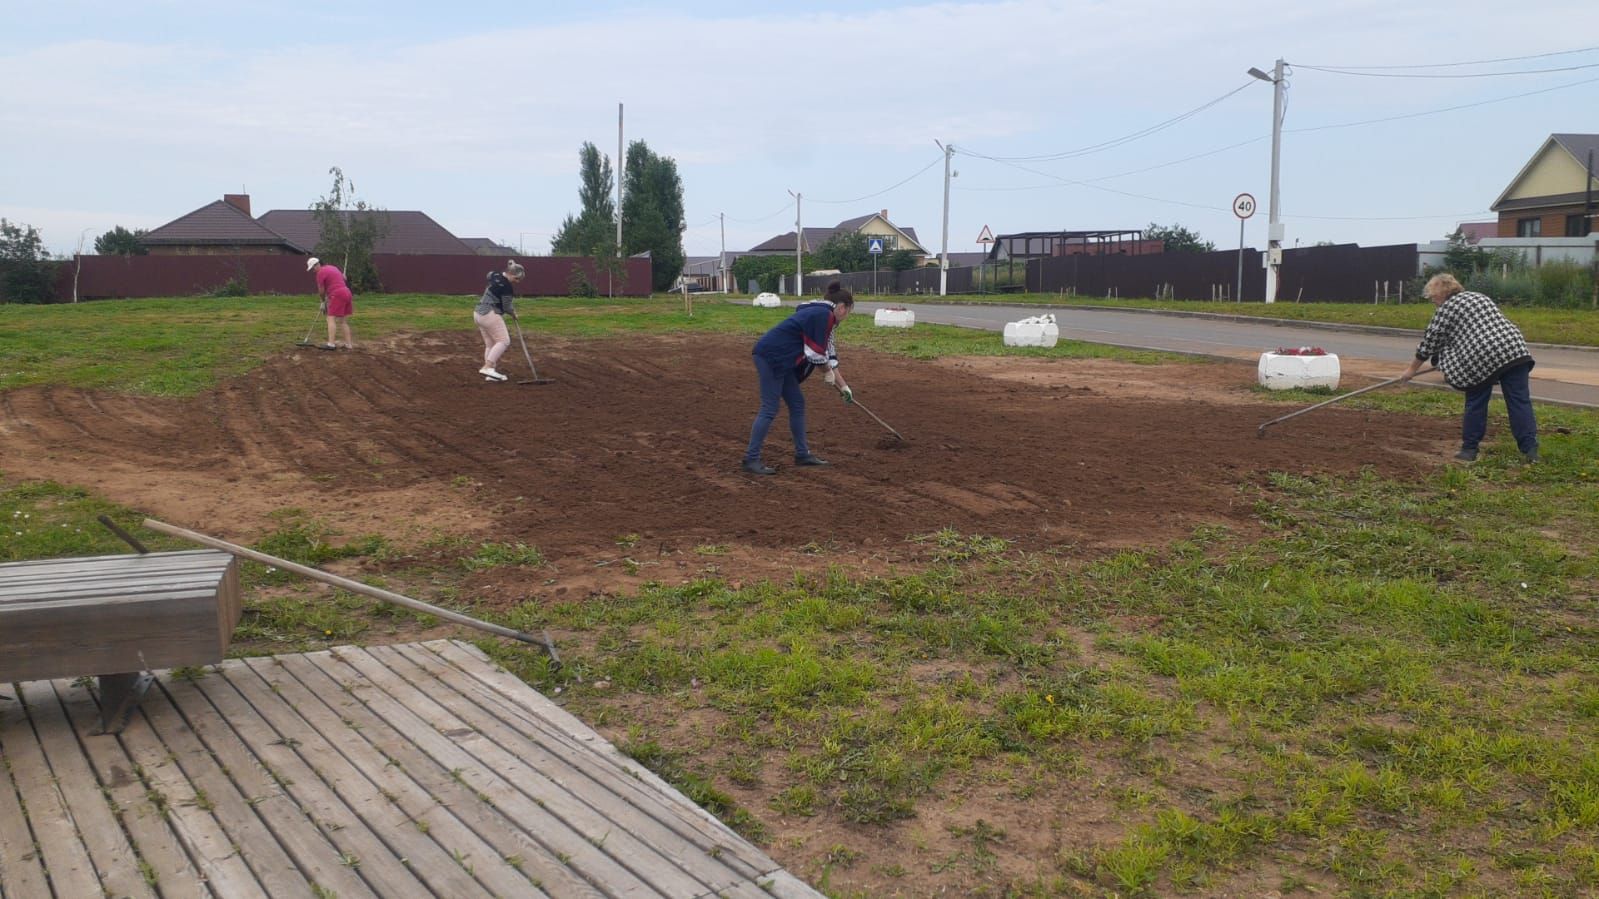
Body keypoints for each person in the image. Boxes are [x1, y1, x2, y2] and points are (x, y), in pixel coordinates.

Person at [1400, 273, 1538, 463]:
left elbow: (1429, 343)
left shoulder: (1447, 308)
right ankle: (1530, 451)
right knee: (1519, 401)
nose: (1432, 300)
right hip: (1515, 350)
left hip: (1482, 356)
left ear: (1441, 292)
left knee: (1476, 401)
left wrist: (1411, 370)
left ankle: (1469, 449)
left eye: (1432, 295)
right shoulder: (1479, 296)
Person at [742, 281, 856, 475]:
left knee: (797, 403)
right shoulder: (823, 316)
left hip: (783, 361)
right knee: (769, 408)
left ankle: (802, 454)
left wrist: (844, 387)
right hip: (771, 357)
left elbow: (829, 353)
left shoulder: (823, 317)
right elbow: (816, 354)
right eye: (849, 311)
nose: (847, 316)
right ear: (842, 307)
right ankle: (751, 459)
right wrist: (827, 371)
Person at [475, 260, 526, 382]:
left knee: (491, 344)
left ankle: (490, 373)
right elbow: (507, 306)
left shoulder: (495, 275)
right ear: (511, 274)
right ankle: (487, 367)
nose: (517, 282)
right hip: (489, 313)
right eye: (517, 279)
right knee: (504, 341)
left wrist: (509, 266)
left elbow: (489, 274)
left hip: (478, 313)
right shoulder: (507, 287)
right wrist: (513, 314)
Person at [308, 257, 355, 350]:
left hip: (337, 294)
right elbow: (344, 278)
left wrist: (322, 302)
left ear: (317, 264)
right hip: (347, 292)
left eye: (313, 268)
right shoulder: (333, 267)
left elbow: (321, 290)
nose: (313, 271)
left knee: (330, 318)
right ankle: (349, 345)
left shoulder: (320, 273)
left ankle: (331, 344)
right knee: (343, 321)